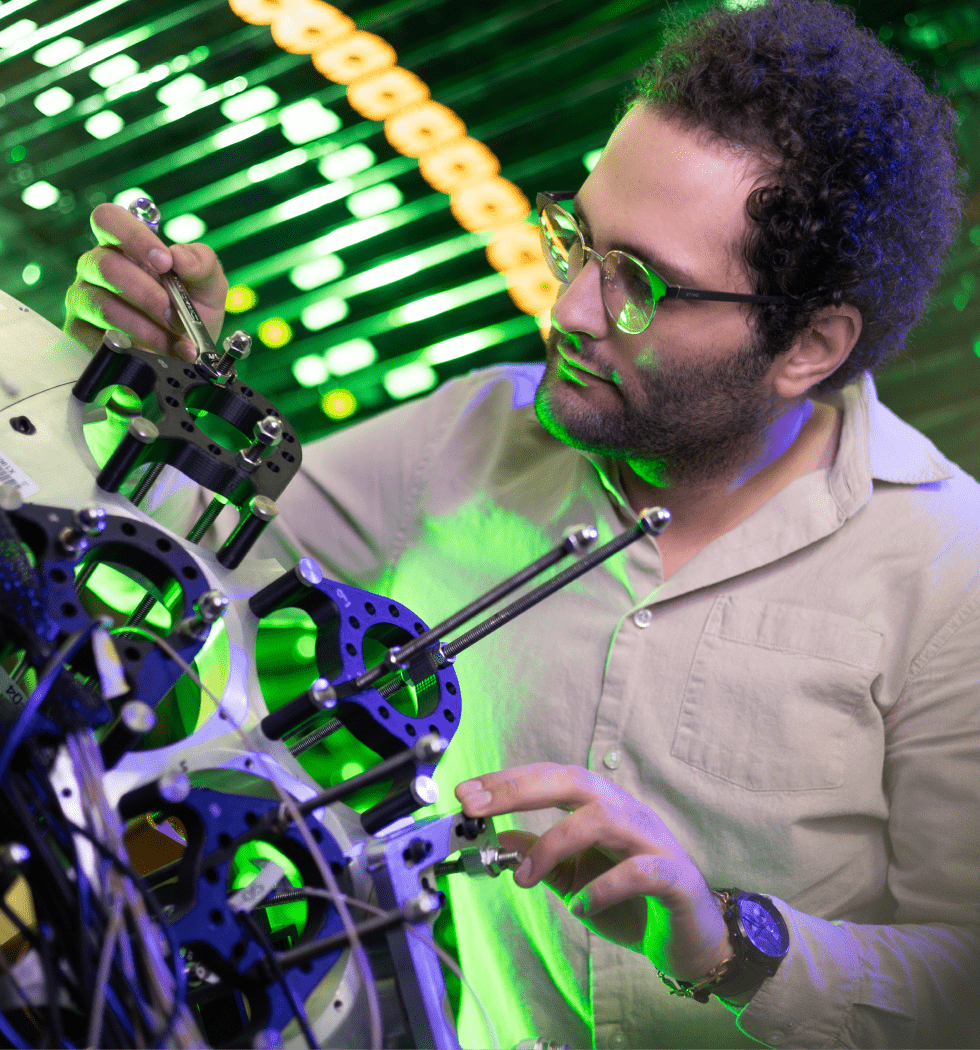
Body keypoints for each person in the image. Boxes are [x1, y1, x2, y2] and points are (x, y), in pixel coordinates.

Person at [64, 0, 980, 1045]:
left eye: (639, 284)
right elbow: (150, 555)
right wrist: (148, 382)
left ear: (809, 345)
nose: (572, 308)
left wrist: (722, 939)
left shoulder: (952, 572)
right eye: (578, 239)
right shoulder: (467, 435)